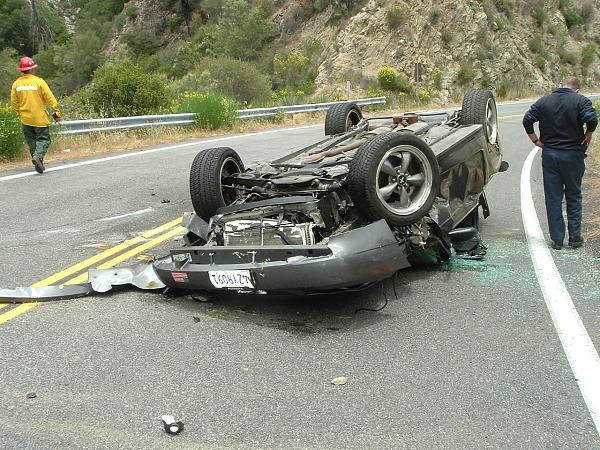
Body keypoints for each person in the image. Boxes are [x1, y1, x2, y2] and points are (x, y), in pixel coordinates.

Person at [523, 76, 597, 250]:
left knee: (553, 197)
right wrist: (589, 133)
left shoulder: (543, 101)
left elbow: (527, 120)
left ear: (560, 86)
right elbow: (591, 119)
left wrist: (535, 140)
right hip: (573, 155)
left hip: (550, 155)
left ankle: (557, 239)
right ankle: (575, 237)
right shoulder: (581, 101)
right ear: (576, 90)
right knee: (573, 195)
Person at [10, 56, 61, 174]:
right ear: (32, 69)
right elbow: (51, 99)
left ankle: (38, 161)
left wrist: (20, 113)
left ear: (22, 70)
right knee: (44, 140)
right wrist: (57, 113)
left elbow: (14, 102)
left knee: (32, 141)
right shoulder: (39, 81)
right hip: (40, 119)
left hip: (26, 119)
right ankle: (38, 157)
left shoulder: (16, 84)